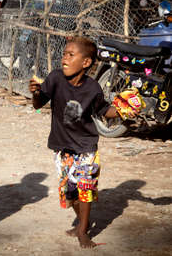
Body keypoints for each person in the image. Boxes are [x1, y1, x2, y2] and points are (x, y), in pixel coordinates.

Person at [29, 37, 125, 249]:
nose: (64, 58)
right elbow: (38, 104)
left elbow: (103, 111)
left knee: (85, 189)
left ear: (86, 63)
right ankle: (83, 221)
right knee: (70, 194)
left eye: (71, 55)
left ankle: (82, 231)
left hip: (86, 147)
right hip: (62, 147)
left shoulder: (93, 88)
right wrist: (36, 92)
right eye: (64, 54)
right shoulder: (55, 78)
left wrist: (122, 110)